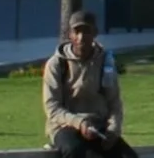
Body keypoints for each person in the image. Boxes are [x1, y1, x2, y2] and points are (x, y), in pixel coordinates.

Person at [43, 11, 136, 158]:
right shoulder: (56, 64)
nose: (81, 37)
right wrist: (79, 123)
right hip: (65, 126)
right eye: (77, 32)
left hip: (99, 126)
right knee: (80, 153)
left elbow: (114, 102)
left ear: (95, 33)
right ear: (70, 34)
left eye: (86, 31)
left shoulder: (105, 62)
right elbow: (52, 107)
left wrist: (114, 129)